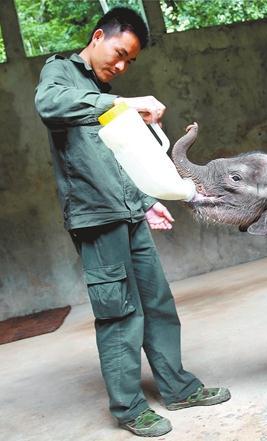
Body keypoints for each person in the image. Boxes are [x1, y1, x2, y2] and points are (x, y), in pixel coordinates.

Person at [34, 7, 230, 437]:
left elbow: (117, 160)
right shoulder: (61, 74)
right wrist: (122, 103)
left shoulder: (107, 94)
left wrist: (145, 202)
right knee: (119, 312)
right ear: (99, 36)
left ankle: (177, 387)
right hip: (95, 219)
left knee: (157, 302)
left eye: (129, 63)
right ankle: (128, 409)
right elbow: (48, 106)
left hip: (127, 211)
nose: (121, 67)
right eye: (119, 54)